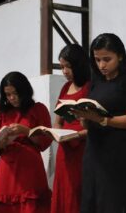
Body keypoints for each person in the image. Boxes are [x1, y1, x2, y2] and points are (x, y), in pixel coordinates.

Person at [73, 33, 126, 213]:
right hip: (94, 150)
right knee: (90, 202)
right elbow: (90, 123)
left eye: (107, 59)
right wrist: (84, 118)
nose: (101, 65)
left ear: (120, 55)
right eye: (97, 60)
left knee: (113, 203)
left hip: (119, 151)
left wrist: (103, 120)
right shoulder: (96, 80)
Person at [0, 71, 52, 213]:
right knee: (2, 201)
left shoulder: (38, 109)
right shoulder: (1, 112)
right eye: (8, 95)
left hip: (30, 165)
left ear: (25, 91)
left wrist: (26, 131)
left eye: (15, 93)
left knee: (30, 203)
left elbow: (46, 140)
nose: (12, 98)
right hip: (7, 165)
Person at [50, 44, 90, 213]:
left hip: (83, 147)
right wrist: (57, 133)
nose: (64, 71)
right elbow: (58, 121)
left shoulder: (90, 86)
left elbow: (97, 123)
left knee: (79, 192)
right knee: (63, 192)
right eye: (62, 67)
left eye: (68, 66)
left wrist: (78, 135)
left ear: (79, 65)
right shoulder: (65, 88)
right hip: (65, 149)